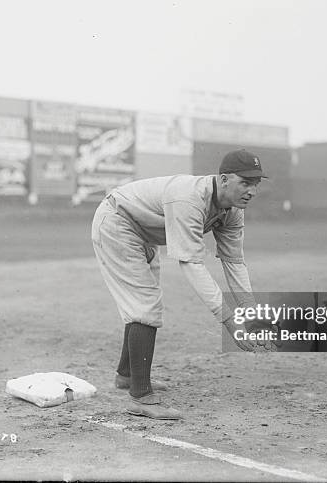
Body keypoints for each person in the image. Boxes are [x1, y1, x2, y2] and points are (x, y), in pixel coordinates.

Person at [91, 149, 266, 419]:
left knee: (144, 303)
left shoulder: (233, 211)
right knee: (145, 304)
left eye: (256, 184)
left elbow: (234, 263)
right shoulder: (189, 198)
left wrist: (251, 313)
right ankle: (140, 397)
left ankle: (127, 376)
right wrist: (229, 320)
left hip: (143, 232)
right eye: (245, 182)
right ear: (223, 179)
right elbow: (192, 264)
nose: (251, 191)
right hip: (117, 222)